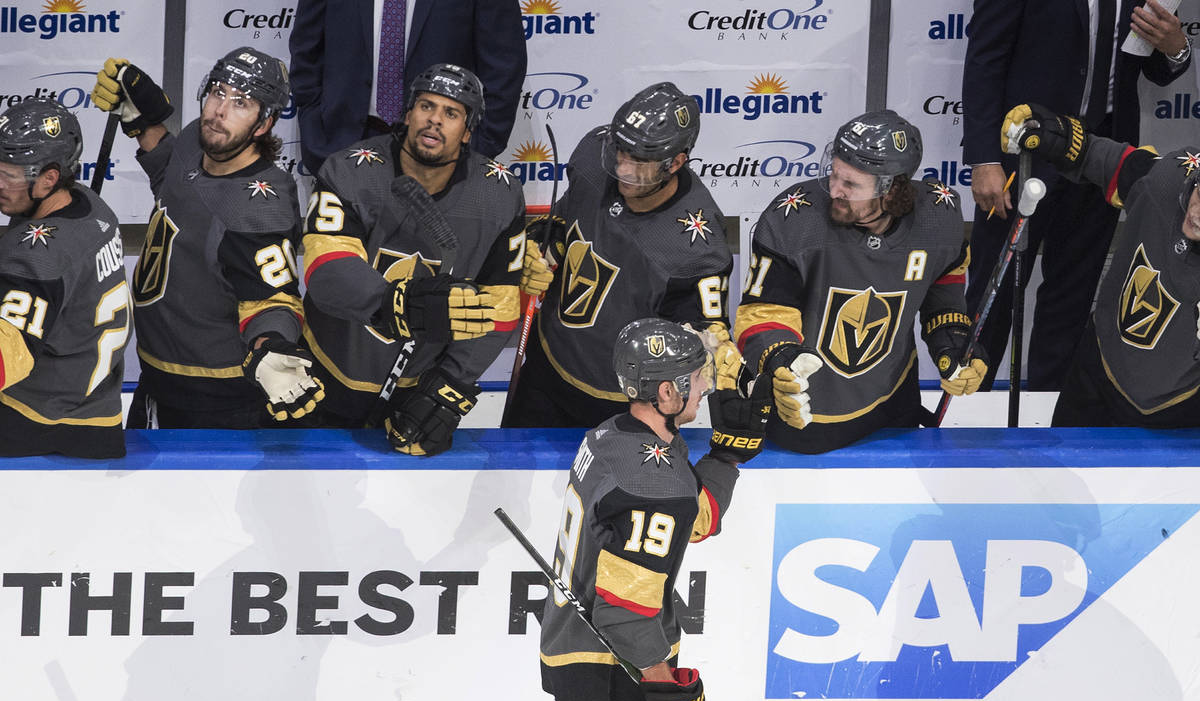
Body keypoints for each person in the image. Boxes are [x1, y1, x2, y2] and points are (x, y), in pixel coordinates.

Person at [539, 317, 778, 701]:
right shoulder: (650, 480)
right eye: (695, 376)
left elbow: (690, 517)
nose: (706, 384)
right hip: (616, 669)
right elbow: (624, 610)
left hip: (591, 652)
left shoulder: (616, 436)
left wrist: (725, 457)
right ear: (666, 393)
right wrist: (663, 688)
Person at [90, 46, 324, 429]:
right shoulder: (193, 143)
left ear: (263, 124)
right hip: (157, 376)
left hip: (215, 399)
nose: (220, 110)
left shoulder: (259, 208)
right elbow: (174, 176)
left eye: (241, 103)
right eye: (218, 92)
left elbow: (272, 301)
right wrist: (140, 122)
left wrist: (271, 348)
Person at [962, 0, 1190, 390]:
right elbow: (985, 60)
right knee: (992, 292)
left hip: (1105, 158)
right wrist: (984, 159)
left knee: (1072, 294)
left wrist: (1176, 48)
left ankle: (1050, 415)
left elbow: (1153, 67)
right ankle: (962, 407)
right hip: (1023, 155)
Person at [300, 62, 523, 455]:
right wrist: (398, 305)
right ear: (407, 114)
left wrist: (449, 387)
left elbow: (499, 306)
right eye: (426, 106)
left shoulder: (498, 195)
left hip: (417, 387)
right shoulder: (349, 170)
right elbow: (326, 273)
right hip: (325, 373)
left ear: (468, 131)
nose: (434, 120)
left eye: (451, 113)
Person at [733, 109, 986, 454]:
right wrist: (782, 363)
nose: (834, 189)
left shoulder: (938, 217)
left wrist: (953, 344)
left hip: (894, 405)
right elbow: (764, 312)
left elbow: (944, 294)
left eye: (850, 184)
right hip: (807, 412)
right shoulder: (794, 218)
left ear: (893, 190)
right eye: (834, 173)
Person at [506, 82, 734, 428]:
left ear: (676, 163)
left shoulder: (698, 243)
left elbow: (703, 332)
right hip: (546, 366)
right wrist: (541, 245)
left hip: (621, 401)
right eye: (622, 151)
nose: (624, 168)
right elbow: (569, 216)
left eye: (640, 161)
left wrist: (713, 359)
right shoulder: (593, 157)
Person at [1000, 103, 1200, 426]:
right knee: (1058, 469)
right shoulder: (1169, 179)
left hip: (1177, 407)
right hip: (1099, 372)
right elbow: (1103, 158)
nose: (1196, 213)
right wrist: (1055, 133)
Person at [0, 99, 129, 458]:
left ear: (49, 178)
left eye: (8, 175)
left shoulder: (39, 255)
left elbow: (6, 356)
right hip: (96, 410)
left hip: (41, 423)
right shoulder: (91, 207)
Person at [288, 0, 526, 173]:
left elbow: (504, 67)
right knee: (341, 244)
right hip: (342, 144)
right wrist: (314, 131)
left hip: (441, 154)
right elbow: (307, 50)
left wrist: (476, 149)